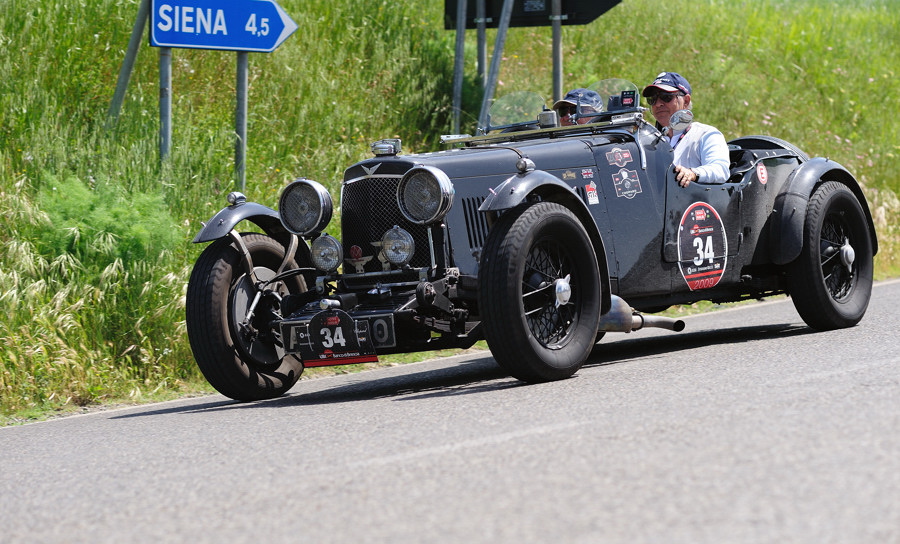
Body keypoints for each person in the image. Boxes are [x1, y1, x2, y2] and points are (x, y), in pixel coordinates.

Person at [642, 72, 730, 187]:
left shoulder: (706, 134)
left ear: (686, 101)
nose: (658, 104)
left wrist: (692, 173)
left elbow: (720, 170)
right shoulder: (646, 140)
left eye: (666, 97)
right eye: (652, 99)